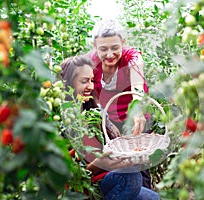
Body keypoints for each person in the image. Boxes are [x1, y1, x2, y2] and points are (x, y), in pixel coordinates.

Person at [60, 55, 159, 200]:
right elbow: (68, 176)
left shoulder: (97, 112)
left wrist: (129, 154)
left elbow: (115, 144)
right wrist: (97, 165)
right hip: (85, 186)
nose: (91, 86)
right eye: (84, 81)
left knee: (152, 197)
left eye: (92, 80)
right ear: (68, 83)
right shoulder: (64, 121)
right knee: (131, 178)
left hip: (106, 178)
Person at [87, 19, 152, 189]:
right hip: (110, 118)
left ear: (123, 43)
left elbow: (137, 86)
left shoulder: (133, 58)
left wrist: (137, 109)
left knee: (139, 162)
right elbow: (93, 95)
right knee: (117, 161)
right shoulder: (91, 63)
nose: (109, 54)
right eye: (103, 49)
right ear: (95, 46)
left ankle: (145, 194)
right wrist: (106, 121)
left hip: (135, 118)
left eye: (115, 47)